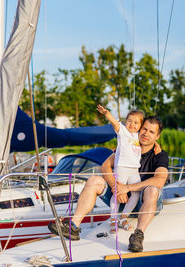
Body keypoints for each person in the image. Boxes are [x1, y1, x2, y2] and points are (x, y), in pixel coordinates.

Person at [48, 116, 169, 252]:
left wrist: (126, 188)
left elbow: (160, 180)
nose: (146, 134)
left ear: (157, 136)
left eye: (152, 132)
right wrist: (116, 188)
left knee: (152, 189)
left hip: (144, 203)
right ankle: (73, 227)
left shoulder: (160, 155)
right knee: (94, 180)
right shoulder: (127, 146)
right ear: (139, 130)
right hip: (120, 198)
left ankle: (138, 235)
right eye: (144, 129)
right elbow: (105, 166)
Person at [96, 104, 144, 233]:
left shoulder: (139, 136)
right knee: (117, 193)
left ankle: (124, 217)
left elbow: (149, 139)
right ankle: (113, 219)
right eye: (129, 121)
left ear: (140, 125)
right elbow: (115, 123)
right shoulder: (123, 132)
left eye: (135, 123)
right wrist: (107, 114)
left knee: (136, 193)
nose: (132, 124)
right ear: (125, 122)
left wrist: (156, 144)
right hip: (122, 167)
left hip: (134, 170)